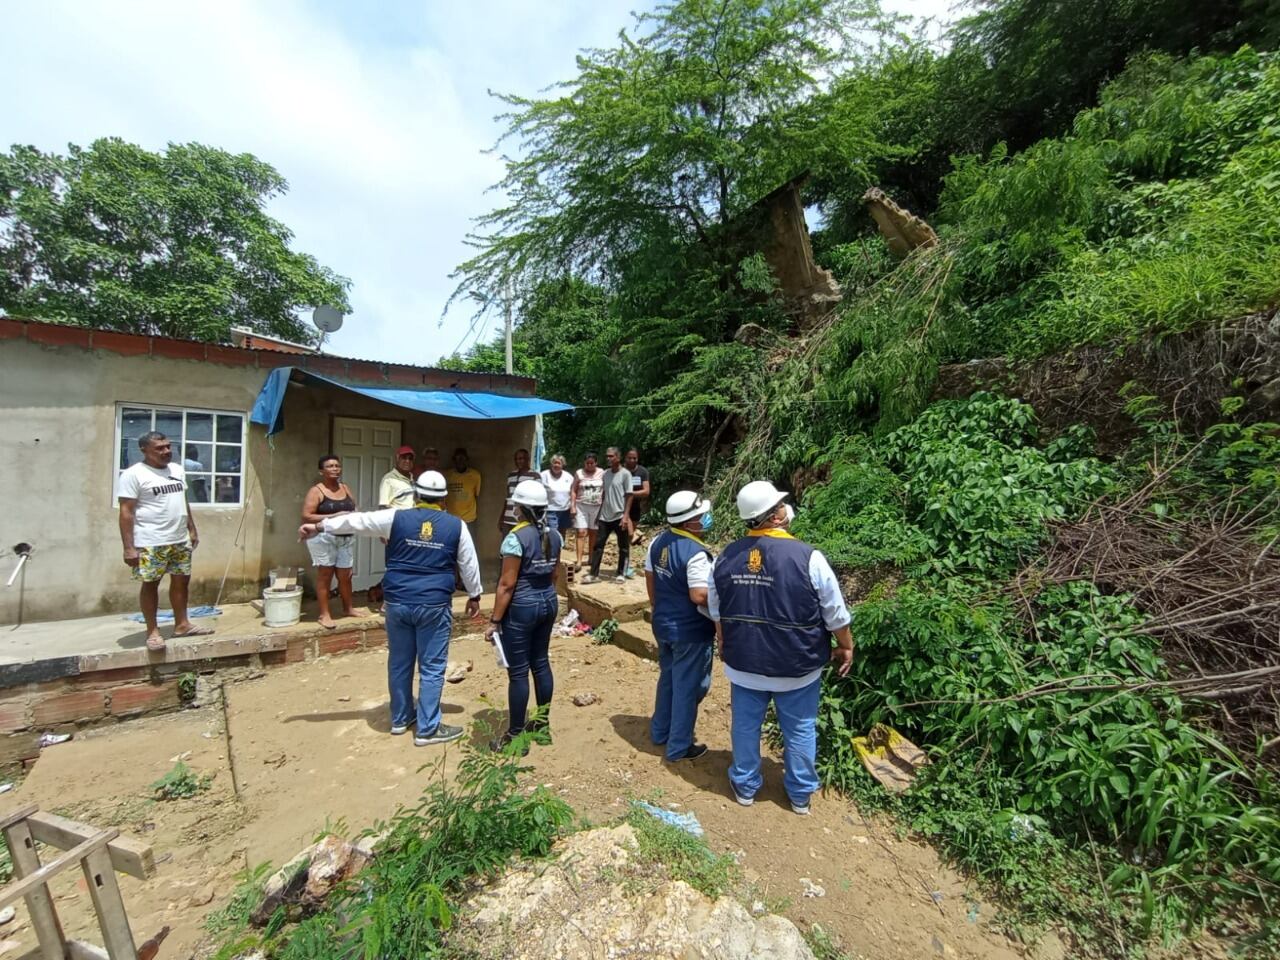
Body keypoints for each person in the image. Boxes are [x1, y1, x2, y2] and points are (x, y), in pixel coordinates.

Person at [300, 471, 482, 746]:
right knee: (432, 666)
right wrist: (475, 594)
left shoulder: (395, 518)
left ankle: (400, 718)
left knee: (399, 661)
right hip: (433, 604)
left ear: (416, 495)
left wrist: (318, 527)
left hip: (397, 602)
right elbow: (469, 564)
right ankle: (428, 728)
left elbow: (357, 521)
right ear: (444, 499)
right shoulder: (457, 526)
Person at [708, 480, 854, 816]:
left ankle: (745, 786)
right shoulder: (809, 557)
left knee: (745, 726)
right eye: (781, 506)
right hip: (796, 666)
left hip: (744, 664)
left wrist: (725, 642)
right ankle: (800, 795)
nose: (786, 510)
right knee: (800, 728)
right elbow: (835, 613)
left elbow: (718, 612)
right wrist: (846, 646)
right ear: (774, 517)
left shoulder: (725, 557)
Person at [117, 431, 212, 652]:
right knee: (151, 584)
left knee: (181, 582)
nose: (166, 451)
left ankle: (182, 624)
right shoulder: (134, 475)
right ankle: (153, 632)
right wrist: (129, 548)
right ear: (144, 450)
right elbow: (126, 512)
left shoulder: (176, 470)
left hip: (179, 539)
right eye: (159, 448)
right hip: (151, 541)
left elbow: (182, 500)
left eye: (168, 446)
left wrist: (191, 528)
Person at [486, 479, 563, 752]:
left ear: (521, 507)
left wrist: (495, 621)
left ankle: (516, 737)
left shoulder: (514, 539)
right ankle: (541, 728)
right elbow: (554, 574)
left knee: (518, 673)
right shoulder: (555, 535)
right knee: (540, 663)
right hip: (548, 602)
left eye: (516, 504)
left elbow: (507, 584)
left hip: (522, 607)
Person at [646, 490, 716, 762]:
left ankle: (659, 731)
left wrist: (658, 607)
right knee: (689, 686)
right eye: (701, 516)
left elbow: (650, 576)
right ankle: (678, 746)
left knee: (668, 680)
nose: (706, 519)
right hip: (690, 630)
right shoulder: (696, 553)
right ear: (689, 522)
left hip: (664, 624)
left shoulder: (657, 542)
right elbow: (699, 595)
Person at [300, 455, 368, 629]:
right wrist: (334, 516)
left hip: (345, 538)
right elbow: (307, 516)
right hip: (323, 538)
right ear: (321, 471)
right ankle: (324, 614)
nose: (335, 468)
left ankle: (348, 608)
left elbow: (354, 508)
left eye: (337, 465)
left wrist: (356, 516)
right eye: (330, 466)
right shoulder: (316, 491)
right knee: (325, 575)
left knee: (346, 575)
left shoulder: (345, 488)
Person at [582, 447, 632, 584]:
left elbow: (629, 495)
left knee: (623, 546)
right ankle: (594, 574)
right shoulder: (606, 474)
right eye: (607, 456)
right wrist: (599, 513)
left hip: (619, 515)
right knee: (598, 545)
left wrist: (626, 516)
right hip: (605, 515)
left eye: (611, 456)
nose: (608, 459)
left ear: (618, 457)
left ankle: (621, 573)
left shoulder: (626, 474)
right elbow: (604, 494)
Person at [571, 452, 604, 571]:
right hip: (581, 506)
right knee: (581, 532)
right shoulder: (579, 473)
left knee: (593, 532)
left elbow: (605, 490)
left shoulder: (602, 473)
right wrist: (573, 506)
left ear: (596, 463)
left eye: (592, 463)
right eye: (587, 463)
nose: (589, 465)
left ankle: (591, 558)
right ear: (584, 463)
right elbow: (573, 490)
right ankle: (579, 561)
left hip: (596, 506)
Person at [498, 448, 541, 538]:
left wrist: (534, 520)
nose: (519, 461)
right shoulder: (511, 475)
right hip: (508, 519)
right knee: (506, 547)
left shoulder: (535, 476)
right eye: (517, 459)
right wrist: (502, 517)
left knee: (522, 547)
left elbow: (537, 500)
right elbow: (508, 498)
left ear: (528, 459)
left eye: (522, 458)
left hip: (523, 520)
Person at [623, 447, 651, 577]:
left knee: (627, 539)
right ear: (625, 458)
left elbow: (646, 491)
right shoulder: (620, 471)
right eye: (630, 457)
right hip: (621, 506)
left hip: (635, 507)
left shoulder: (642, 472)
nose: (632, 460)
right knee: (628, 534)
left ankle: (625, 564)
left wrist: (631, 494)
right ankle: (624, 565)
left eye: (634, 458)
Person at [445, 447, 482, 538]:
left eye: (463, 458)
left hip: (469, 519)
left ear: (467, 460)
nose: (460, 461)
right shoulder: (447, 475)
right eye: (457, 458)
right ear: (454, 460)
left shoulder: (475, 475)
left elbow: (476, 495)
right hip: (451, 519)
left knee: (468, 548)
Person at [540, 454, 574, 535]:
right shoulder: (544, 475)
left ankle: (559, 548)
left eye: (559, 463)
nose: (556, 465)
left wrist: (573, 507)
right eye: (555, 463)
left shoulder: (568, 476)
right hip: (550, 510)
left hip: (565, 510)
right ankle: (551, 548)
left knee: (562, 533)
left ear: (563, 465)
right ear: (551, 464)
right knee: (552, 533)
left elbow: (573, 491)